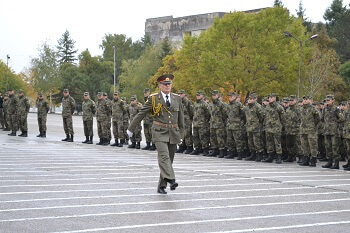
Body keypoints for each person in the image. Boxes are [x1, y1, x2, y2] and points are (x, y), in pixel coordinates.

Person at [127, 74, 184, 194]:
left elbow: (181, 119)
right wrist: (131, 128)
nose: (167, 86)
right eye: (164, 84)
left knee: (169, 160)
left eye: (169, 84)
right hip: (159, 132)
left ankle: (161, 186)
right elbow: (141, 114)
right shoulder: (153, 99)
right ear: (159, 85)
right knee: (164, 156)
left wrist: (181, 135)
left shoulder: (177, 98)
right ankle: (172, 180)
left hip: (173, 132)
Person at [322, 94, 344, 169]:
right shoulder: (325, 109)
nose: (327, 101)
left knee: (335, 148)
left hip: (334, 132)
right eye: (326, 100)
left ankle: (336, 163)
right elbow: (322, 118)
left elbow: (342, 118)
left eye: (329, 100)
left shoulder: (336, 109)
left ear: (333, 101)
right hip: (327, 131)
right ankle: (329, 162)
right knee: (328, 147)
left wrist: (334, 122)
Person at [208, 90, 228, 158]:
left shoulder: (222, 104)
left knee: (220, 138)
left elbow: (225, 115)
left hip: (219, 124)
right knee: (213, 138)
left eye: (215, 95)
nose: (213, 96)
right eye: (212, 95)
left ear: (218, 95)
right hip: (212, 123)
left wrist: (221, 121)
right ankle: (214, 150)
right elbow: (209, 113)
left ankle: (222, 151)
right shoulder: (211, 104)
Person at [191, 91, 211, 156]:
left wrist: (205, 120)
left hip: (202, 123)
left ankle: (205, 149)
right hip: (195, 123)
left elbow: (208, 113)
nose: (197, 96)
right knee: (195, 136)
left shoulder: (204, 104)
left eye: (199, 95)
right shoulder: (195, 104)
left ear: (202, 96)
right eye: (197, 95)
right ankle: (197, 148)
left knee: (203, 136)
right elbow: (192, 113)